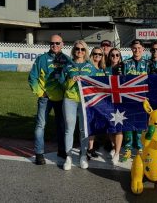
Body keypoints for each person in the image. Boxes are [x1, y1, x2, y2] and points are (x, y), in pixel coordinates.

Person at [28, 34, 70, 165]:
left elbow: (73, 75)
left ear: (62, 44)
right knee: (41, 125)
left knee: (62, 125)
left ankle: (62, 150)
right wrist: (41, 93)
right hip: (45, 99)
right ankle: (39, 153)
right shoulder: (41, 59)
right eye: (52, 43)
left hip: (62, 98)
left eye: (58, 43)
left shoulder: (67, 59)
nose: (55, 45)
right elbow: (32, 78)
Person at [61, 40, 96, 171]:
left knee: (83, 129)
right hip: (69, 99)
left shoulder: (90, 66)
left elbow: (95, 85)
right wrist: (71, 80)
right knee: (69, 129)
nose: (79, 51)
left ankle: (82, 155)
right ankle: (68, 157)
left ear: (86, 51)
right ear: (73, 50)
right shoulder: (68, 66)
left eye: (82, 49)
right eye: (77, 49)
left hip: (85, 101)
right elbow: (62, 84)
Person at [122, 39, 150, 162]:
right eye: (134, 48)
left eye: (139, 48)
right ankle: (127, 148)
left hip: (143, 99)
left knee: (140, 124)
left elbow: (152, 81)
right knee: (128, 124)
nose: (137, 50)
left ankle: (139, 148)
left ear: (143, 49)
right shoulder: (125, 63)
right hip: (128, 98)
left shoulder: (148, 64)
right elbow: (121, 80)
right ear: (131, 49)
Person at [86, 47, 107, 160]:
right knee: (88, 124)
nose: (97, 56)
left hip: (99, 101)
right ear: (91, 54)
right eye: (95, 53)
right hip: (88, 100)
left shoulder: (102, 70)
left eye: (100, 54)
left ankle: (91, 147)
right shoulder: (87, 67)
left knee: (94, 124)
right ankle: (87, 148)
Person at [105, 47, 123, 165]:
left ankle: (117, 153)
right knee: (108, 125)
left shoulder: (124, 68)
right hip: (107, 100)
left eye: (117, 55)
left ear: (120, 57)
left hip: (120, 100)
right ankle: (113, 146)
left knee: (118, 126)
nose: (115, 57)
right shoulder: (105, 69)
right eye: (112, 55)